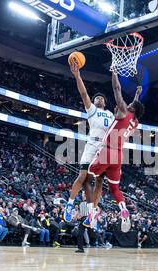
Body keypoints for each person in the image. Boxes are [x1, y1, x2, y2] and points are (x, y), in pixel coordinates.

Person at [87, 72, 144, 232]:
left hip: (106, 151)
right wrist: (137, 95)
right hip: (118, 156)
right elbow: (135, 108)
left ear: (130, 108)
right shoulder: (135, 121)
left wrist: (114, 72)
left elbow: (116, 88)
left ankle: (91, 212)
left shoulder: (124, 111)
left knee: (87, 175)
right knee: (114, 189)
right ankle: (123, 210)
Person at [64, 60, 114, 227]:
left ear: (105, 103)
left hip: (105, 149)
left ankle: (92, 213)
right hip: (92, 145)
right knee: (82, 176)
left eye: (101, 98)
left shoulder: (112, 115)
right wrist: (77, 75)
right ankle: (69, 204)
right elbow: (84, 94)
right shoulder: (92, 110)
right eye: (96, 98)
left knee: (99, 181)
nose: (99, 99)